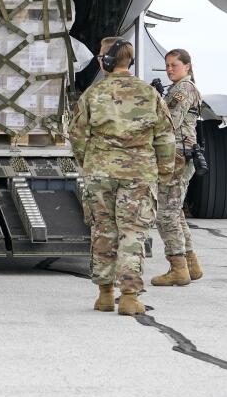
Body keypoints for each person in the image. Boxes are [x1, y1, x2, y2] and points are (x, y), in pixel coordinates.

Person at [70, 37, 174, 316]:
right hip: (139, 174)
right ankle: (129, 297)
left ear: (107, 61)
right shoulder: (149, 94)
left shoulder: (92, 94)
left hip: (100, 173)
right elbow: (165, 138)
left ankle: (104, 295)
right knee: (132, 232)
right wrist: (163, 173)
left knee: (102, 230)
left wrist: (89, 162)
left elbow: (77, 135)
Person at [152, 48, 205, 285]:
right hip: (181, 154)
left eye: (174, 65)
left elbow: (170, 122)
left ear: (187, 66)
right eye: (167, 65)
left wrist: (155, 103)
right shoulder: (178, 88)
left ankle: (178, 269)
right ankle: (191, 265)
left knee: (166, 214)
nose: (169, 69)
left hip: (177, 155)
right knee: (176, 212)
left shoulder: (184, 89)